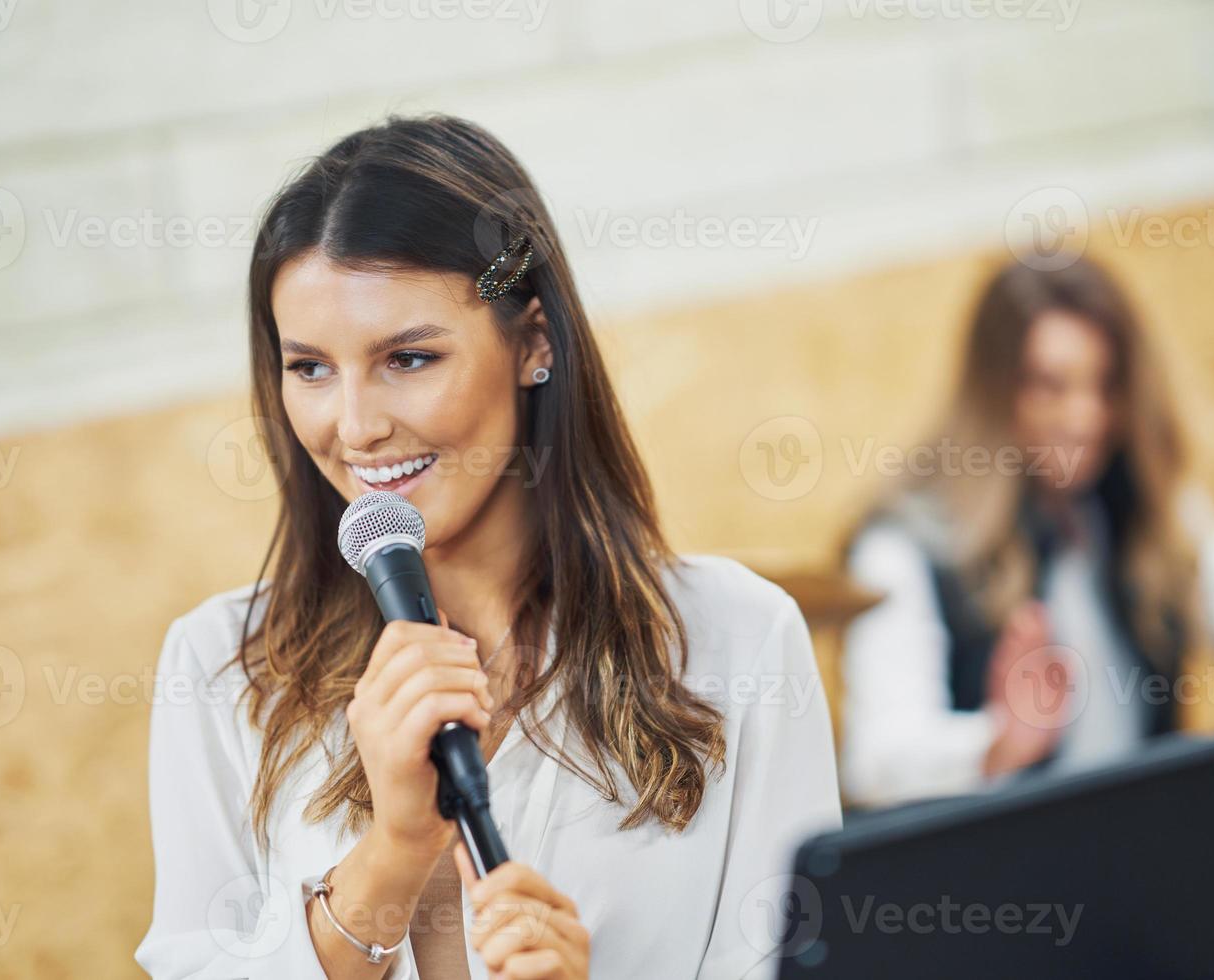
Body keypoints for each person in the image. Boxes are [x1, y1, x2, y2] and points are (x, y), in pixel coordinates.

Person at [134, 114, 841, 979]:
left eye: (408, 358)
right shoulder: (220, 668)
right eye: (310, 368)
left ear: (533, 343)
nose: (355, 427)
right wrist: (389, 855)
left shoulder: (741, 638)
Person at [838, 257, 1214, 809]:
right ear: (993, 392)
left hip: (1143, 854)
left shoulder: (1150, 502)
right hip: (995, 884)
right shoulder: (904, 548)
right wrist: (997, 743)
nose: (1085, 416)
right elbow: (875, 762)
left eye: (1104, 385)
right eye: (1051, 385)